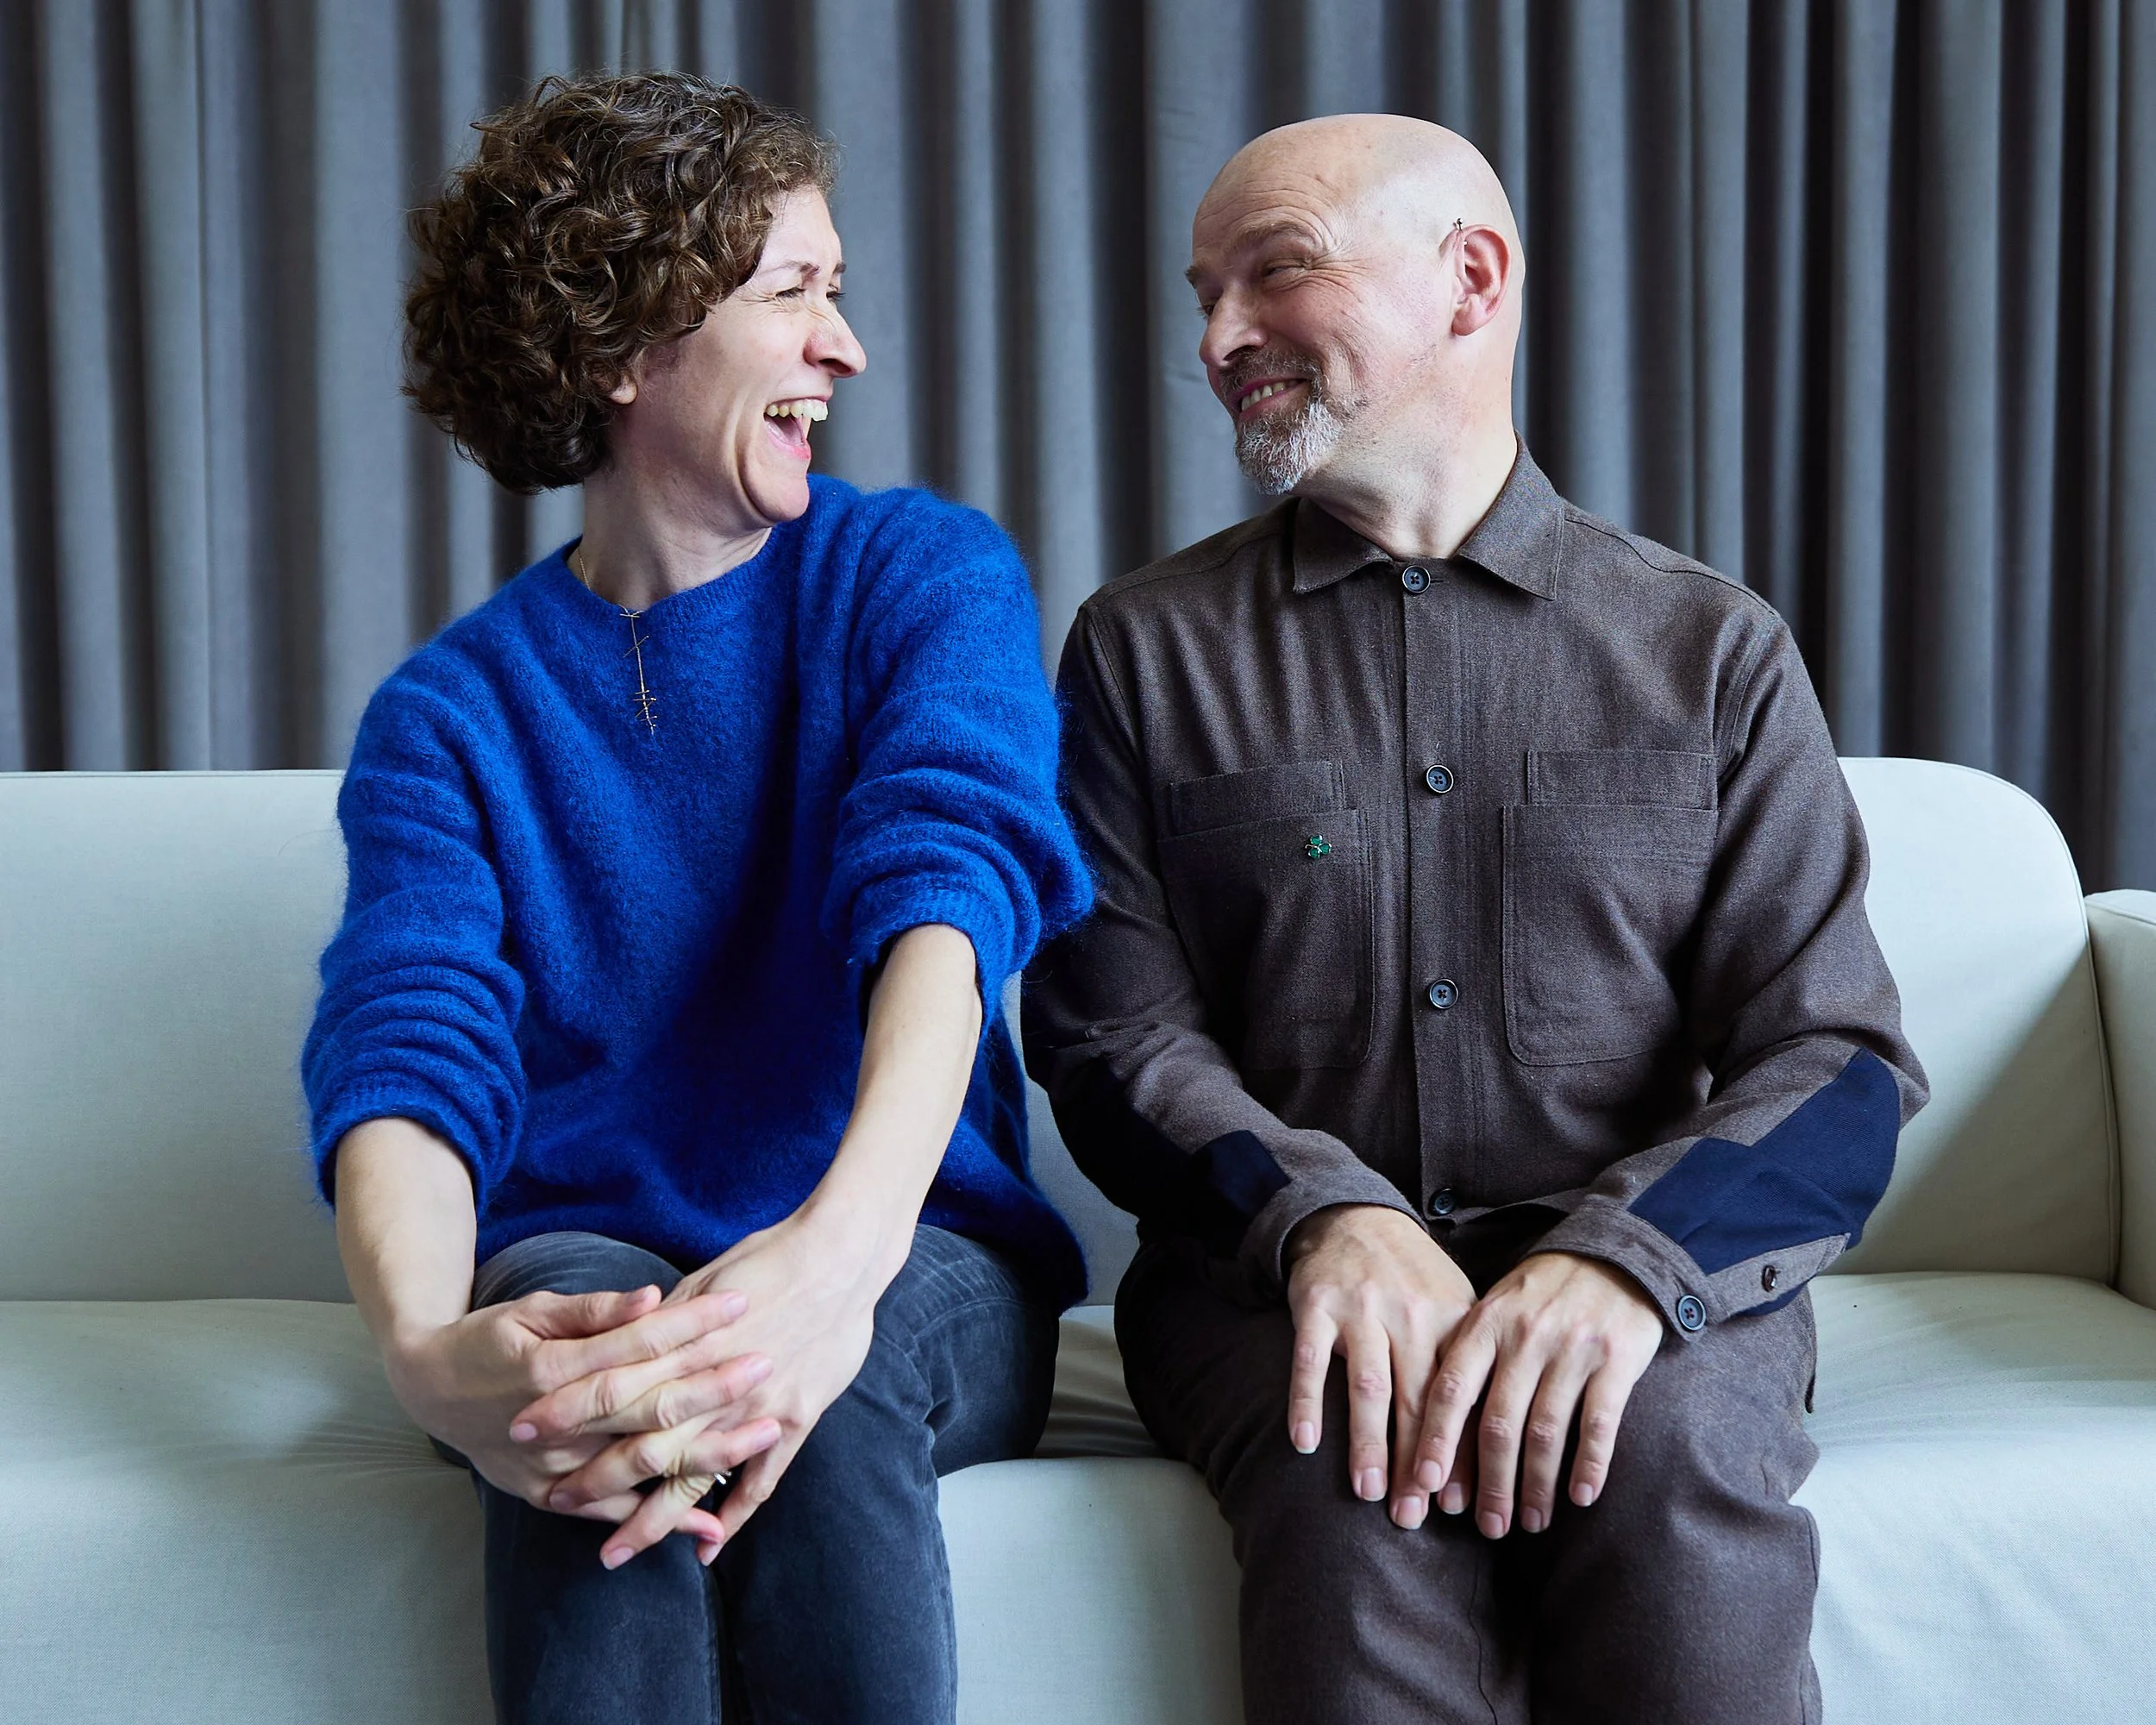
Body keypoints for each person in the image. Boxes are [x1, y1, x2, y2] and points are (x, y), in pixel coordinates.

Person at [1023, 114, 1927, 1724]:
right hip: (1267, 1281)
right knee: (1355, 1473)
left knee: (1666, 1458)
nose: (1220, 338)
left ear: (1472, 278)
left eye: (1277, 272)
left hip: (1651, 1273)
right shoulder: (1140, 651)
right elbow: (1109, 1037)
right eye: (1204, 294)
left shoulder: (1710, 651)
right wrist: (1329, 1222)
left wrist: (1632, 1267)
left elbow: (1840, 1058)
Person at [303, 72, 1089, 1725]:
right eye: (795, 294)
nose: (846, 350)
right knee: (580, 1391)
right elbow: (408, 1047)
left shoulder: (919, 579)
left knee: (808, 1366)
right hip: (594, 1248)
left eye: (838, 294)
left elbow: (945, 910)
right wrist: (429, 1357)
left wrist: (830, 1267)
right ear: (624, 349)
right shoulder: (448, 719)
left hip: (919, 1247)